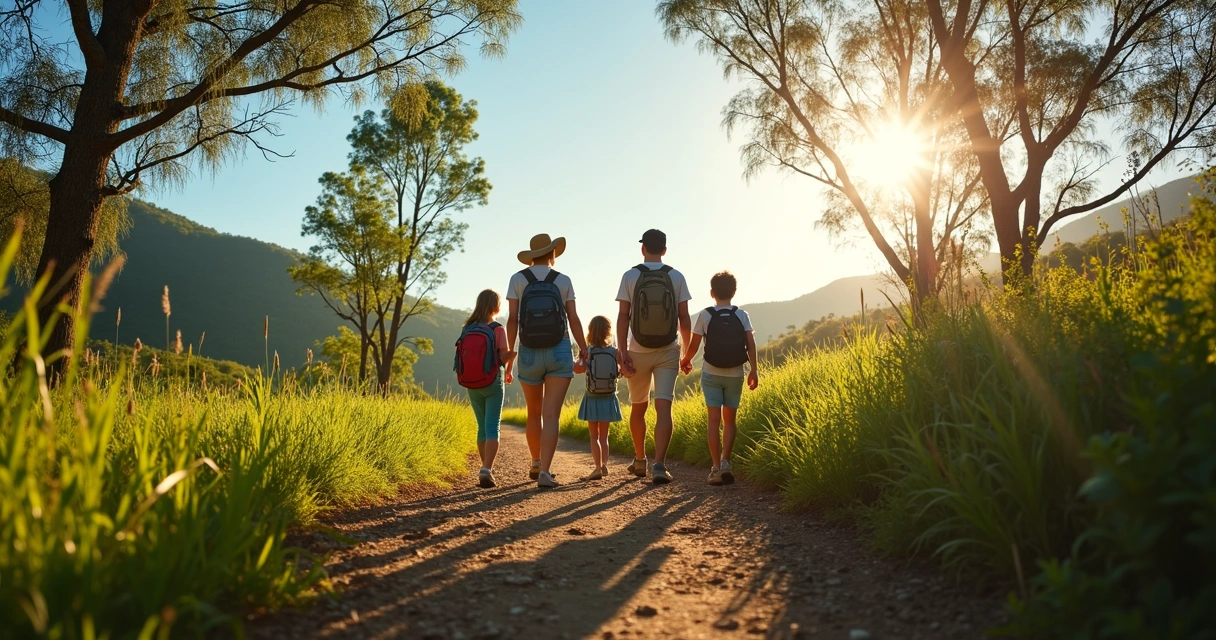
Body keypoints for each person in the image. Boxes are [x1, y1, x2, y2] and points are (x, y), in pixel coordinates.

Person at [506, 233, 589, 488]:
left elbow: (512, 320)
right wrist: (584, 348)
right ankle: (545, 471)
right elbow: (573, 318)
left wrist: (510, 355)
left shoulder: (518, 279)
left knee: (534, 413)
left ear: (532, 256)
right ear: (552, 253)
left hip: (529, 350)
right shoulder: (562, 280)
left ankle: (534, 461)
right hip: (559, 349)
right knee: (551, 414)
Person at [615, 229, 692, 484]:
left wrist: (622, 352)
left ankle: (640, 460)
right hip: (668, 350)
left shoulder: (630, 275)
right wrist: (686, 353)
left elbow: (623, 316)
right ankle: (660, 464)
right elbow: (684, 319)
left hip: (637, 350)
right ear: (665, 250)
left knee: (638, 408)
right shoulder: (676, 276)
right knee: (663, 408)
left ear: (643, 249)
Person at [680, 271, 759, 486]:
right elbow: (750, 344)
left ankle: (715, 468)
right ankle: (726, 462)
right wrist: (754, 370)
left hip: (711, 373)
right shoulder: (742, 315)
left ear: (711, 292)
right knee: (730, 420)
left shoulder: (705, 315)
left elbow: (695, 346)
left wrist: (685, 360)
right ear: (734, 292)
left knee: (713, 421)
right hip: (735, 373)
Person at [456, 289, 516, 488]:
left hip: (471, 383)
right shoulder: (497, 328)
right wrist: (510, 364)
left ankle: (485, 467)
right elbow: (504, 355)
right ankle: (486, 469)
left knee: (481, 427)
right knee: (492, 427)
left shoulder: (468, 328)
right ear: (496, 306)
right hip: (492, 382)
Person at [575, 316, 622, 481]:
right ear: (608, 332)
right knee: (604, 436)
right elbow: (621, 372)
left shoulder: (588, 352)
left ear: (590, 331)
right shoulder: (615, 351)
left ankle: (596, 468)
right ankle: (604, 466)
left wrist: (580, 358)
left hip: (592, 396)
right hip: (609, 396)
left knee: (594, 436)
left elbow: (578, 370)